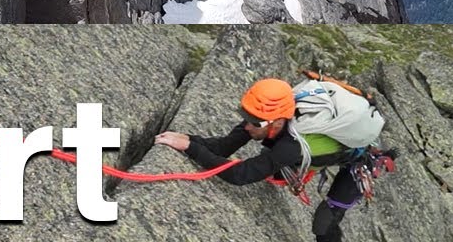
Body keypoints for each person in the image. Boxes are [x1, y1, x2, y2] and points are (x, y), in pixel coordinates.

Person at [154, 78, 396, 242]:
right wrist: (188, 140)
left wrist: (190, 148)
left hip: (356, 160)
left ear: (278, 121)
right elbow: (224, 147)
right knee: (273, 171)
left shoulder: (290, 146)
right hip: (300, 146)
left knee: (322, 223)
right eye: (245, 116)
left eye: (254, 121)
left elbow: (240, 175)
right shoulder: (263, 117)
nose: (247, 125)